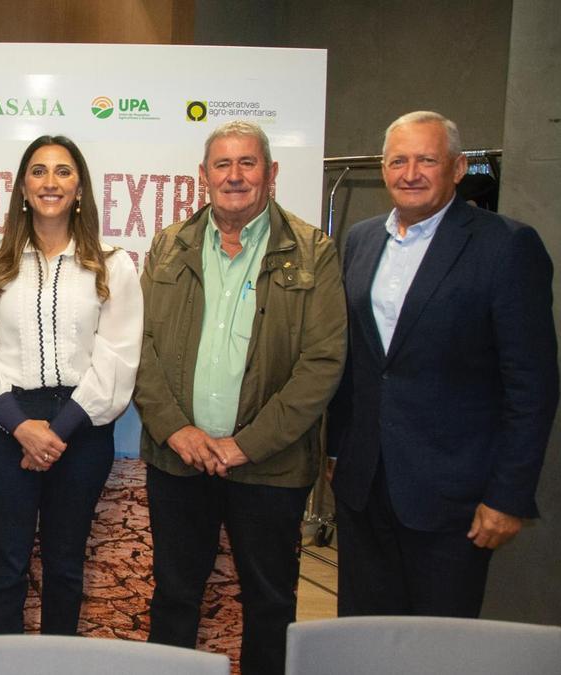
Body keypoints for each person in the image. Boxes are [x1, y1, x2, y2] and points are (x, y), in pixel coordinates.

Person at [133, 120, 346, 675]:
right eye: (222, 165)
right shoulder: (168, 245)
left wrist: (245, 445)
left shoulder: (313, 251)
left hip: (270, 466)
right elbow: (139, 346)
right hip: (178, 461)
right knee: (175, 595)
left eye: (247, 163)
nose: (234, 176)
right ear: (202, 176)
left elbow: (321, 363)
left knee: (271, 603)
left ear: (271, 173)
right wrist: (176, 429)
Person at [328, 111, 559, 617]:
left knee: (439, 648)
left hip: (454, 498)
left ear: (456, 168)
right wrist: (337, 452)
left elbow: (532, 387)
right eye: (398, 160)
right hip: (365, 488)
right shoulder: (361, 241)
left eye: (426, 160)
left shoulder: (506, 246)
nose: (410, 172)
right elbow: (358, 362)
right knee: (363, 639)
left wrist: (509, 496)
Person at [0, 135, 143, 635]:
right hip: (3, 427)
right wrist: (22, 429)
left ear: (80, 188)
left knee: (64, 568)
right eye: (38, 171)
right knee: (5, 570)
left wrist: (58, 431)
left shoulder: (112, 262)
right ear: (21, 187)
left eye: (62, 171)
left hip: (81, 431)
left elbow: (118, 360)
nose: (50, 181)